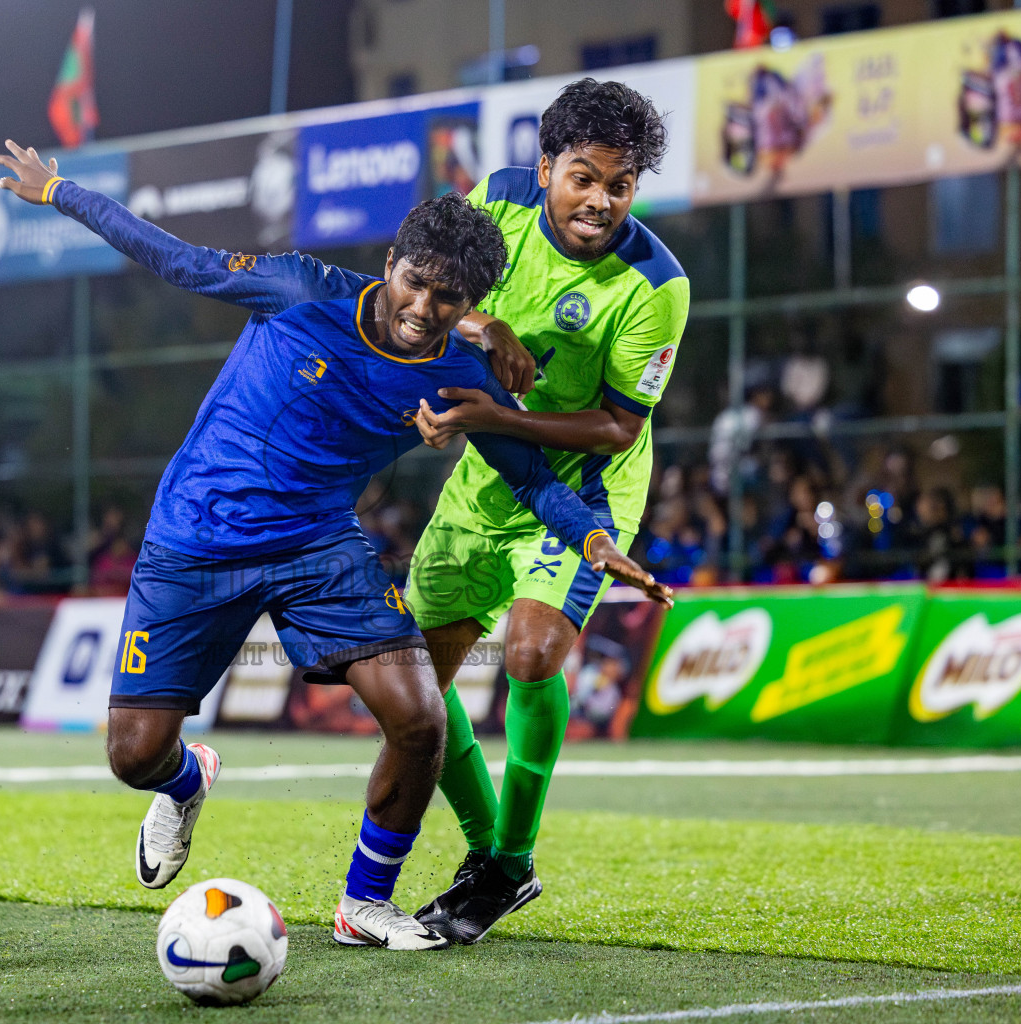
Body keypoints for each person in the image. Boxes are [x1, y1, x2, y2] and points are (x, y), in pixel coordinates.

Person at [0, 140, 672, 951]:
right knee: (134, 756)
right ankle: (185, 780)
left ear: (475, 306)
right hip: (195, 539)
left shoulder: (458, 375)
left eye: (450, 298)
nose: (425, 307)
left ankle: (364, 902)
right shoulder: (295, 288)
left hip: (319, 547)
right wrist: (63, 192)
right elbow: (171, 257)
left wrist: (593, 539)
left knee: (420, 717)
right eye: (415, 282)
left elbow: (532, 477)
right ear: (391, 263)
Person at [402, 79, 690, 944]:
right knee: (418, 680)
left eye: (621, 184)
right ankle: (494, 854)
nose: (600, 200)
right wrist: (486, 328)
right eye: (584, 177)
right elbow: (433, 301)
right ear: (544, 169)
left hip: (587, 482)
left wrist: (496, 415)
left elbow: (616, 424)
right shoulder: (496, 199)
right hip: (491, 471)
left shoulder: (655, 286)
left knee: (529, 654)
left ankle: (511, 858)